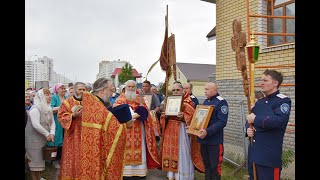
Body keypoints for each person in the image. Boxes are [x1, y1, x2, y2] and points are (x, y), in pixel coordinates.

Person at [78, 78, 130, 179]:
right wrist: (126, 123)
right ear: (102, 90)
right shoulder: (97, 107)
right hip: (97, 148)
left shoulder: (93, 104)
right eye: (111, 90)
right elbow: (114, 128)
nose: (112, 94)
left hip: (95, 148)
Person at [246, 69, 292, 180]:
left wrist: (255, 119)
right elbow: (249, 121)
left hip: (269, 158)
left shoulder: (283, 101)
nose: (261, 83)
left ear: (275, 83)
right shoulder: (260, 102)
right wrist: (248, 130)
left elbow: (278, 121)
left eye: (265, 80)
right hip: (254, 156)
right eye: (261, 80)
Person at [113, 80, 160, 179]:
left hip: (139, 129)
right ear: (125, 88)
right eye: (129, 86)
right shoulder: (120, 99)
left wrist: (142, 114)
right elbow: (115, 114)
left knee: (140, 149)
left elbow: (147, 112)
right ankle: (126, 172)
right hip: (126, 130)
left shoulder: (140, 99)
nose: (131, 88)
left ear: (135, 88)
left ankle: (139, 171)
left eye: (133, 87)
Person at [160, 82, 204, 180]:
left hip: (181, 131)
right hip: (169, 130)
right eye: (174, 90)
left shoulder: (188, 103)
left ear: (182, 91)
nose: (175, 92)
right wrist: (165, 116)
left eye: (178, 90)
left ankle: (183, 176)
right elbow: (163, 116)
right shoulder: (169, 101)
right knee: (170, 152)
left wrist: (184, 116)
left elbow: (194, 117)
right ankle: (172, 175)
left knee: (182, 152)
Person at [197, 82, 229, 180]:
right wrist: (194, 127)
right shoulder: (206, 102)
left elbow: (222, 122)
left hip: (214, 141)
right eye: (205, 89)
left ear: (214, 90)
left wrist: (208, 131)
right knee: (206, 165)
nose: (205, 91)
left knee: (215, 167)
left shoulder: (221, 102)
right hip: (204, 140)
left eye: (207, 89)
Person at [57, 82, 86, 180]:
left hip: (86, 135)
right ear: (75, 90)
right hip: (72, 136)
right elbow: (60, 116)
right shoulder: (67, 102)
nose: (82, 92)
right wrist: (72, 116)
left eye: (84, 89)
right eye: (80, 89)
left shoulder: (90, 102)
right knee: (71, 158)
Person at [25, 88, 55, 180]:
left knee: (39, 161)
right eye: (47, 95)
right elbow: (36, 125)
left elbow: (53, 122)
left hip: (41, 139)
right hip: (32, 140)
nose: (50, 96)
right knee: (34, 163)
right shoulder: (35, 109)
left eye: (50, 94)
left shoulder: (48, 108)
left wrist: (52, 133)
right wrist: (47, 134)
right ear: (41, 97)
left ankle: (38, 177)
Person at [48, 83, 67, 169]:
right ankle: (54, 160)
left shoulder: (66, 98)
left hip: (65, 122)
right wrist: (62, 107)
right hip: (56, 122)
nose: (63, 90)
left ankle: (60, 159)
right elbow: (50, 109)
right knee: (57, 141)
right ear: (57, 90)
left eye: (64, 88)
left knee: (64, 140)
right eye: (61, 88)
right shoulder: (55, 98)